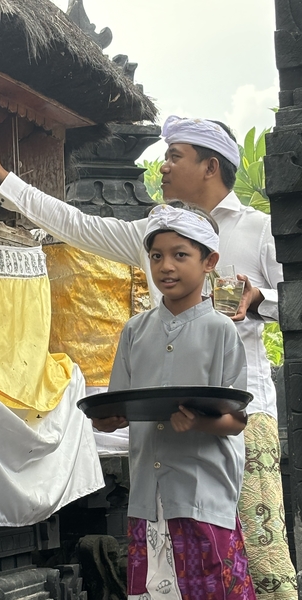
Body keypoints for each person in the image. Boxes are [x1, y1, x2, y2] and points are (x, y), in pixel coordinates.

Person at [0, 115, 297, 600]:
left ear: (210, 166)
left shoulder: (258, 230)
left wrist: (260, 299)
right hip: (161, 425)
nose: (164, 167)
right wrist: (6, 182)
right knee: (165, 561)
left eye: (175, 156)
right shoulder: (152, 233)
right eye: (159, 257)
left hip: (244, 413)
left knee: (259, 559)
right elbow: (79, 226)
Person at [91, 200, 253, 600]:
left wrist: (198, 422)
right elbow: (118, 406)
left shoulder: (220, 331)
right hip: (148, 496)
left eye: (180, 255)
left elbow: (236, 420)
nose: (166, 266)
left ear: (209, 261)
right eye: (157, 256)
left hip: (202, 494)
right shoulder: (135, 331)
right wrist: (106, 421)